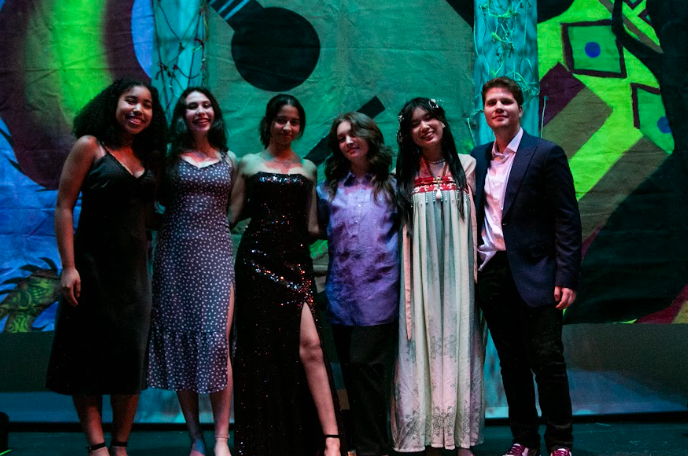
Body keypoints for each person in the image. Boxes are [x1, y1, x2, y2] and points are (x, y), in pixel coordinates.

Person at [46, 78, 168, 456]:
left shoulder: (147, 158)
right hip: (92, 269)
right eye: (131, 101)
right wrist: (69, 267)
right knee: (87, 360)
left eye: (147, 105)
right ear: (114, 103)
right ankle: (97, 446)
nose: (139, 110)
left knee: (128, 364)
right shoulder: (90, 147)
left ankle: (120, 445)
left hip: (134, 277)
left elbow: (147, 218)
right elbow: (64, 206)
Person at [471, 76, 581, 456]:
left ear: (520, 108)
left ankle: (560, 442)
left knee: (547, 361)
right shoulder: (478, 157)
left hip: (538, 274)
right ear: (484, 112)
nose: (498, 108)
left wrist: (566, 275)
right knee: (512, 365)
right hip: (494, 274)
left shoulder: (546, 153)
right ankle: (524, 441)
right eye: (491, 103)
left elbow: (566, 219)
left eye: (506, 101)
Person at [231, 94, 344, 456]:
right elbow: (231, 217)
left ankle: (331, 438)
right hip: (255, 264)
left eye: (294, 121)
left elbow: (312, 226)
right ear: (270, 121)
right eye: (281, 120)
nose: (287, 127)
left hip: (294, 265)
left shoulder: (309, 168)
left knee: (311, 346)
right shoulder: (248, 164)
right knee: (258, 352)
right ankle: (262, 438)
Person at [146, 87, 237, 456]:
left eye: (206, 105)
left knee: (217, 344)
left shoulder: (230, 160)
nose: (200, 111)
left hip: (216, 258)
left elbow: (235, 207)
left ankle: (220, 438)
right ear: (182, 115)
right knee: (183, 344)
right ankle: (195, 437)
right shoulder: (167, 161)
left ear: (214, 112)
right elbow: (149, 205)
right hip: (175, 258)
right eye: (191, 106)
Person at [392, 98, 485, 456]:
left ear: (443, 123)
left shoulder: (469, 165)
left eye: (430, 118)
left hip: (459, 276)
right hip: (421, 276)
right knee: (421, 345)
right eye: (415, 123)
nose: (424, 126)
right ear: (408, 133)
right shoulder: (402, 176)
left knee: (460, 343)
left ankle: (461, 438)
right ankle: (424, 434)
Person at [316, 112, 399, 456]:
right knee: (350, 373)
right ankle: (361, 444)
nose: (348, 142)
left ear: (370, 136)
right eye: (341, 138)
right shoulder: (329, 190)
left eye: (354, 135)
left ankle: (373, 447)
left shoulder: (394, 185)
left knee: (370, 372)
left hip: (380, 294)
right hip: (341, 296)